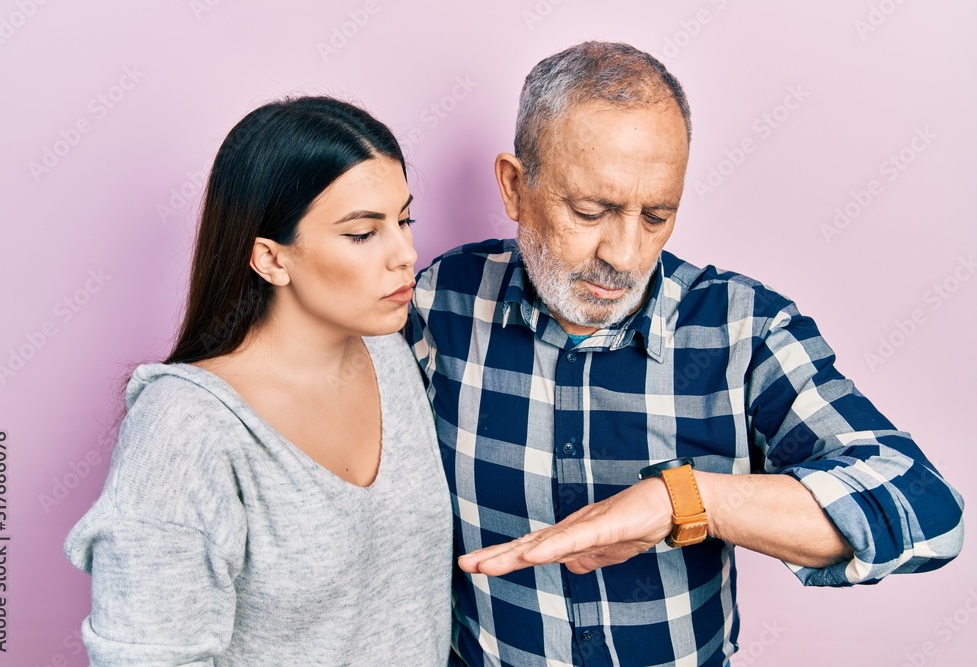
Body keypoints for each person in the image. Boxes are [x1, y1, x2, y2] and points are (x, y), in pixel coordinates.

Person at [405, 42, 964, 666]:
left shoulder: (742, 328)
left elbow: (926, 509)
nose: (623, 254)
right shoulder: (438, 302)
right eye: (591, 211)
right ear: (514, 186)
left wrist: (685, 500)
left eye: (656, 215)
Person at [65, 96, 452, 665]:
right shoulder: (184, 430)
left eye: (404, 220)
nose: (406, 254)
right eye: (363, 234)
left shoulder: (390, 356)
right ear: (270, 259)